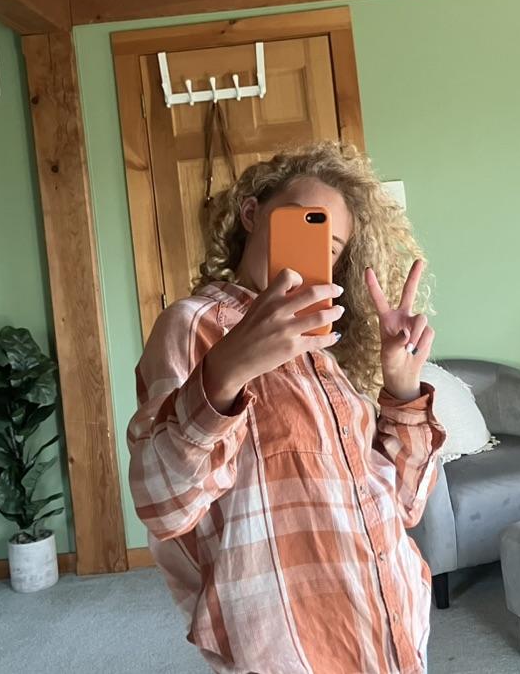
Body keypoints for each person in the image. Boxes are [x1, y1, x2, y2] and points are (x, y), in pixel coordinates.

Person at [127, 141, 446, 674]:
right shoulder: (194, 325)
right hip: (290, 647)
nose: (314, 248)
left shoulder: (322, 352)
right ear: (252, 214)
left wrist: (402, 387)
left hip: (393, 624)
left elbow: (405, 503)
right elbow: (163, 506)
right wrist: (225, 373)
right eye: (303, 223)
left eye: (331, 244)